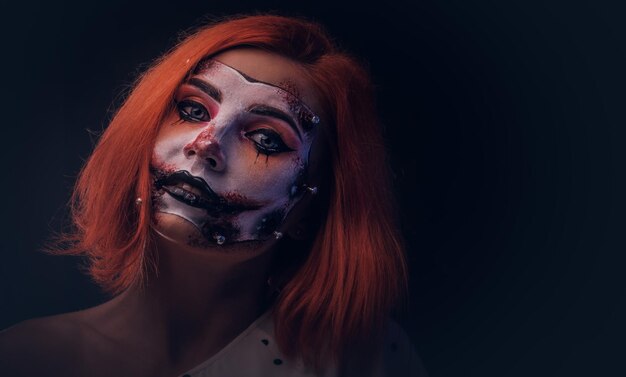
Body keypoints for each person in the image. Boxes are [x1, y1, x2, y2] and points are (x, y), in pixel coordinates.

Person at [0, 14, 427, 377]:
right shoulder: (29, 358)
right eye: (192, 110)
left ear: (311, 211)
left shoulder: (364, 360)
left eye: (265, 138)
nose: (205, 142)